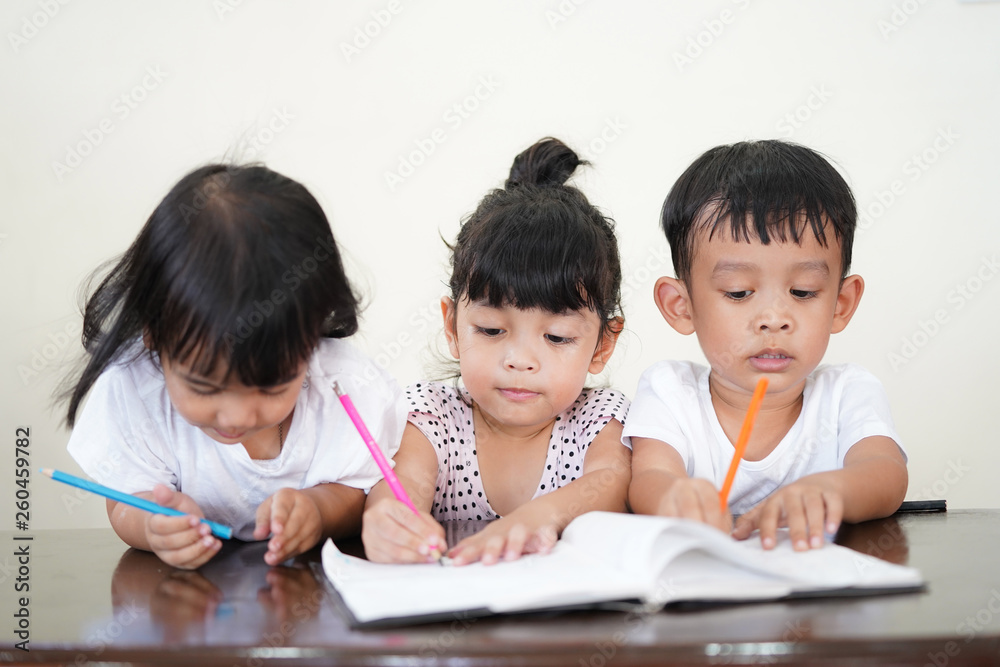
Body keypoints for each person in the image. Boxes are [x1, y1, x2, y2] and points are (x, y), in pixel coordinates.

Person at [61, 164, 405, 569]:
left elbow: (358, 491)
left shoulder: (343, 389)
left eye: (271, 387)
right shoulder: (136, 393)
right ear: (154, 332)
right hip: (186, 600)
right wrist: (154, 525)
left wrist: (318, 510)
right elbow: (124, 504)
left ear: (311, 339)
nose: (237, 416)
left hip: (307, 595)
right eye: (204, 387)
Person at [625, 140, 908, 551]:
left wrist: (830, 490)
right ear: (681, 306)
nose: (774, 319)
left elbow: (886, 474)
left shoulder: (848, 392)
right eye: (739, 292)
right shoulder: (670, 391)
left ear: (841, 304)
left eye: (803, 291)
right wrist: (674, 496)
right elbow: (649, 479)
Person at [362, 138, 631, 565]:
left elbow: (613, 483)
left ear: (603, 345)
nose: (519, 360)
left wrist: (539, 517)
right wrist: (390, 521)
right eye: (491, 330)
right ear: (452, 326)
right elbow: (403, 486)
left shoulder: (598, 421)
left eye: (557, 336)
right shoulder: (432, 416)